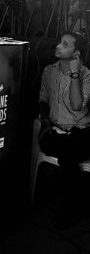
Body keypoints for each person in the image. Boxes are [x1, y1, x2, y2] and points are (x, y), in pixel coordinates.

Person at [38, 31, 90, 227]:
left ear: (76, 53)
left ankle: (71, 210)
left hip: (82, 132)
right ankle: (77, 205)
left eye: (65, 44)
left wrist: (75, 73)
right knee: (67, 151)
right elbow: (42, 100)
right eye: (60, 42)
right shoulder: (48, 71)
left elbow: (77, 105)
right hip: (54, 133)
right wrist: (44, 120)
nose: (58, 46)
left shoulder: (86, 76)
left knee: (70, 151)